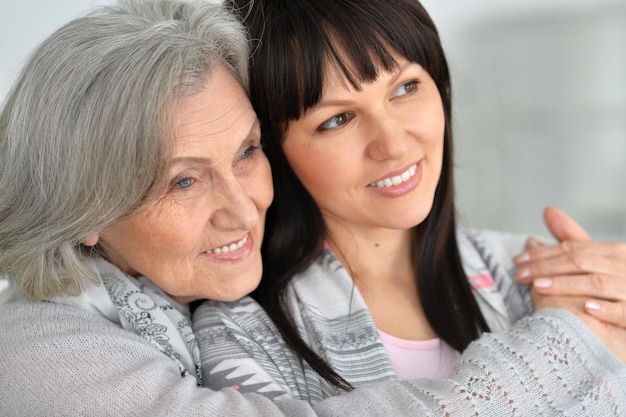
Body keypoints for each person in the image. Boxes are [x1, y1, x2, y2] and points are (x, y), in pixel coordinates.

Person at [0, 1, 624, 416]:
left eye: (246, 152)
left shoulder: (534, 269)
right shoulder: (35, 346)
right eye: (184, 182)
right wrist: (569, 342)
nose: (243, 208)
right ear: (83, 210)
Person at [193, 0, 626, 412]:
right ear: (270, 149)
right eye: (337, 120)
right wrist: (564, 349)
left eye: (405, 87)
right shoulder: (241, 336)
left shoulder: (538, 274)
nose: (394, 144)